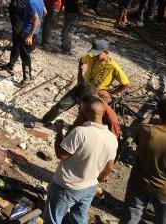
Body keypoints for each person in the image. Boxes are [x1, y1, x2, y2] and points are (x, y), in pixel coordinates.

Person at [42, 95, 117, 224]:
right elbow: (109, 167)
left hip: (67, 187)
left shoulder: (80, 132)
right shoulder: (111, 137)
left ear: (85, 112)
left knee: (53, 219)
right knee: (79, 219)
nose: (78, 111)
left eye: (80, 109)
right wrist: (94, 181)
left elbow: (61, 155)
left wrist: (59, 132)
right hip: (89, 187)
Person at [120, 97, 166, 224]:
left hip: (139, 183)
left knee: (130, 219)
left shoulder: (144, 130)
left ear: (157, 112)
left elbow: (138, 142)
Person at [41, 39, 130, 125]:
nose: (95, 55)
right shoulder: (90, 57)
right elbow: (81, 60)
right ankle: (45, 121)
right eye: (94, 53)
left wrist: (110, 93)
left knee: (85, 116)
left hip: (96, 94)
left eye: (98, 53)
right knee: (61, 105)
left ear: (105, 52)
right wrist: (80, 77)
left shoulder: (114, 67)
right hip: (82, 87)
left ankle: (76, 131)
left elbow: (126, 84)